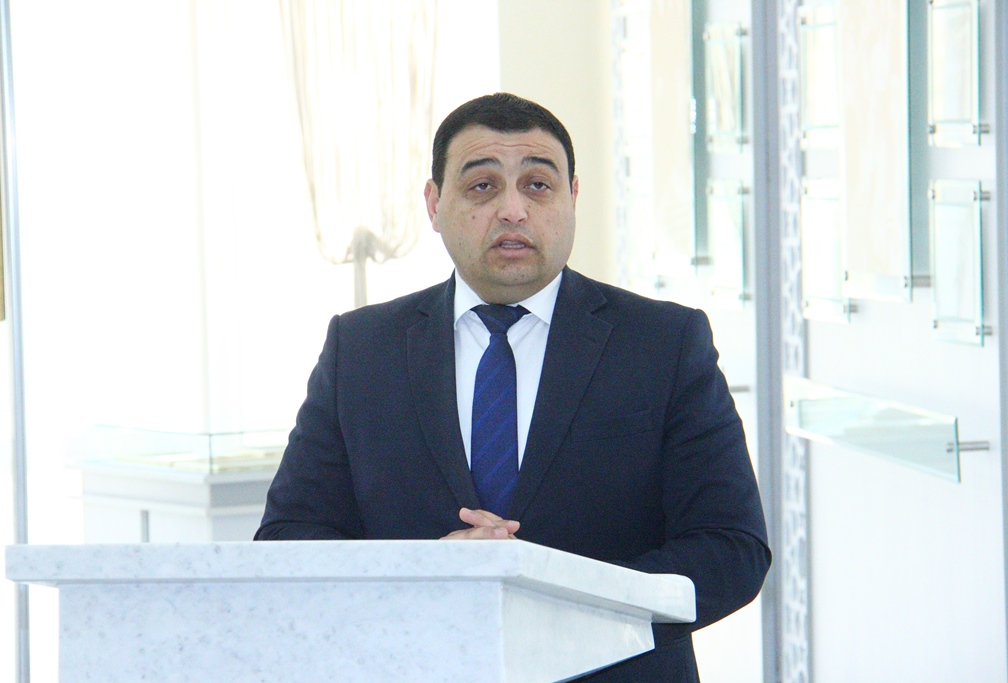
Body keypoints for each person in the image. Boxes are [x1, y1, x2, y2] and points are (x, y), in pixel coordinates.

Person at [256, 92, 770, 681]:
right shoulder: (361, 349)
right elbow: (286, 541)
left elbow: (731, 548)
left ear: (572, 197)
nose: (512, 211)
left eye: (537, 185)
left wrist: (558, 601)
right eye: (482, 187)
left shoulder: (665, 342)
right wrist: (424, 576)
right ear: (434, 203)